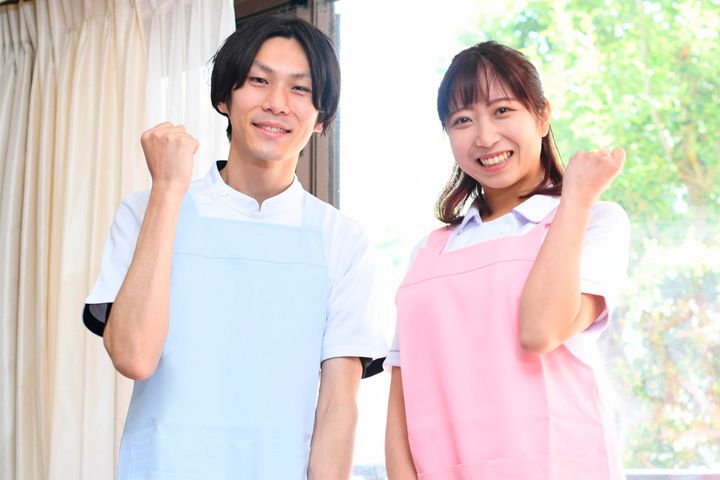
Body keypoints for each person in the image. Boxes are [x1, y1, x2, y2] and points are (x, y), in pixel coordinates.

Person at [83, 15, 386, 480]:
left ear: (322, 118)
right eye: (258, 81)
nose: (276, 103)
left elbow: (337, 406)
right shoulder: (146, 211)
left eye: (300, 89)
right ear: (224, 97)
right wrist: (167, 190)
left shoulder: (342, 239)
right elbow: (134, 356)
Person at [384, 41, 630, 479]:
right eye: (463, 120)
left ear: (542, 115)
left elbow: (541, 331)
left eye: (502, 110)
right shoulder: (428, 251)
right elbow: (402, 396)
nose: (485, 137)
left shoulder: (595, 221)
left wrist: (575, 197)